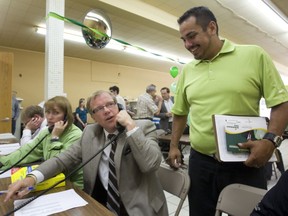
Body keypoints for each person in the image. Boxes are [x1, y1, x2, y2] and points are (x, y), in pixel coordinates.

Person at [167, 6, 288, 216]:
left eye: (192, 36)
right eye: (183, 40)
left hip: (246, 162)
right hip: (201, 162)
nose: (188, 45)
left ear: (212, 27)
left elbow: (281, 103)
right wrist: (174, 145)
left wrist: (270, 141)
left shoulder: (253, 55)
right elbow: (180, 112)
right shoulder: (187, 71)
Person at [4, 90, 168, 216]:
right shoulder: (90, 133)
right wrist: (31, 178)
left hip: (137, 207)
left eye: (110, 104)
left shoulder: (143, 126)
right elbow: (62, 160)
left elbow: (150, 165)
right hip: (100, 202)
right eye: (99, 109)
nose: (107, 111)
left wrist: (131, 127)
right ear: (93, 117)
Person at [0, 96, 83, 188]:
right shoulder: (47, 131)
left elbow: (57, 165)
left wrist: (55, 137)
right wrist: (3, 162)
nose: (50, 117)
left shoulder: (76, 135)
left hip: (72, 186)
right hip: (54, 181)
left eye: (56, 113)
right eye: (47, 112)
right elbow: (27, 151)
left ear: (66, 116)